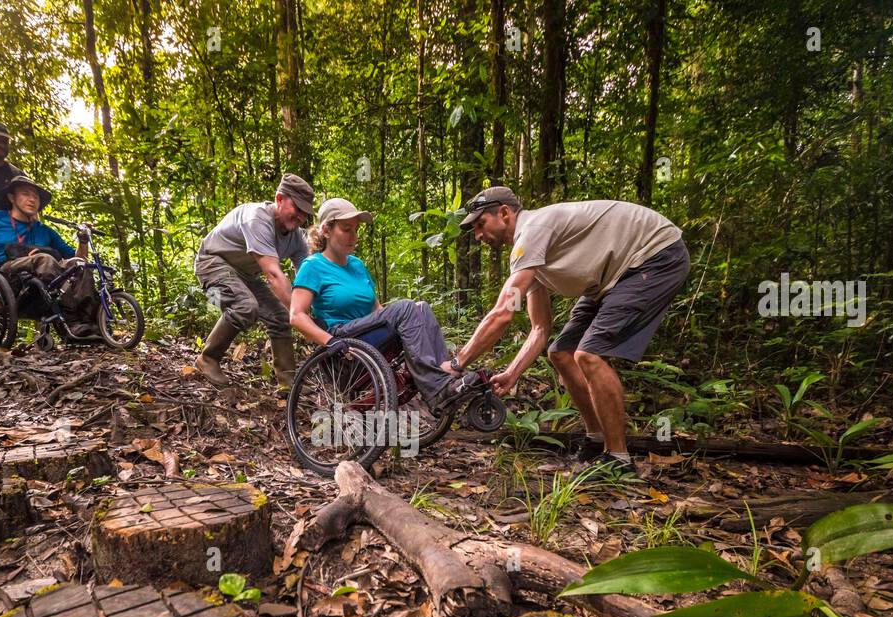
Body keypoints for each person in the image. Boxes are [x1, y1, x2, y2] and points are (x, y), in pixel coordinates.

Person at [454, 187, 690, 478]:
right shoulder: (530, 257)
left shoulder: (532, 231)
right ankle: (596, 439)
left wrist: (457, 363)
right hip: (610, 278)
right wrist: (512, 373)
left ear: (504, 213)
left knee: (588, 354)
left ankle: (619, 458)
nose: (478, 235)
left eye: (480, 224)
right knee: (561, 352)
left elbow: (503, 312)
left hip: (655, 256)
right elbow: (540, 329)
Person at [289, 198, 478, 413]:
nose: (354, 236)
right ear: (326, 230)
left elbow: (378, 312)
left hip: (367, 335)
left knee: (420, 307)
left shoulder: (357, 266)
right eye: (346, 229)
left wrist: (408, 324)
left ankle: (447, 376)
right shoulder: (313, 266)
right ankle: (437, 388)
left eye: (356, 230)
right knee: (407, 307)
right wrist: (330, 342)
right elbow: (296, 315)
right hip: (342, 338)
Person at [194, 174, 314, 389]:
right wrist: (302, 317)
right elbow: (274, 276)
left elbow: (307, 278)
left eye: (305, 214)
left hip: (246, 275)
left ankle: (288, 383)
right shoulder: (257, 218)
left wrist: (319, 313)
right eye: (297, 209)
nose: (300, 218)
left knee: (279, 316)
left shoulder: (296, 238)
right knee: (246, 306)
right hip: (213, 262)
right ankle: (208, 358)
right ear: (279, 199)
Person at [0, 174, 97, 333]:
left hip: (44, 281)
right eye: (25, 194)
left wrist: (83, 241)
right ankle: (71, 320)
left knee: (79, 265)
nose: (32, 199)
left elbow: (78, 260)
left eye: (36, 197)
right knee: (44, 259)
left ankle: (90, 322)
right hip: (7, 278)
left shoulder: (45, 231)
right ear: (12, 197)